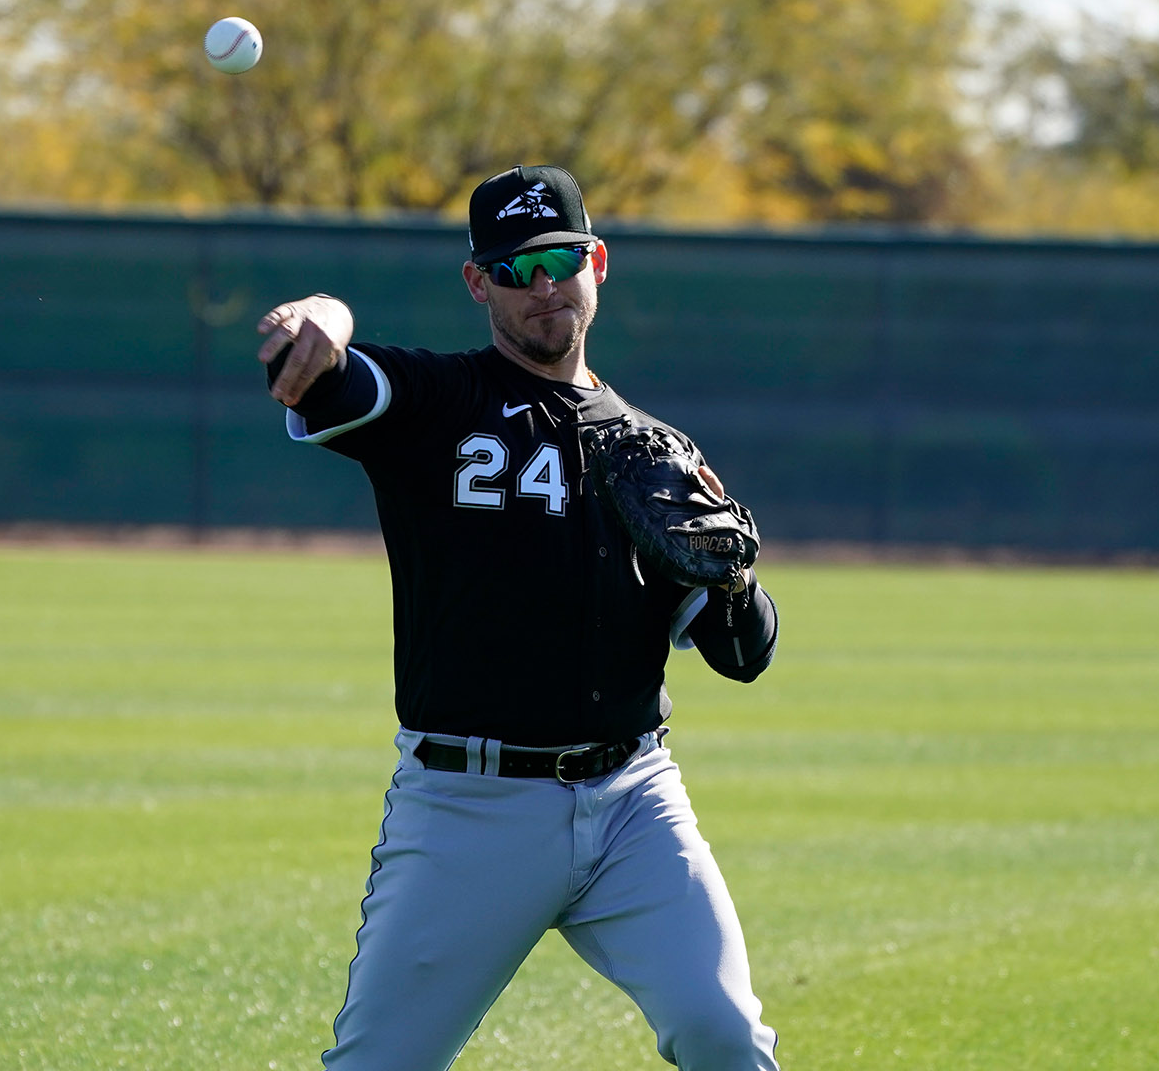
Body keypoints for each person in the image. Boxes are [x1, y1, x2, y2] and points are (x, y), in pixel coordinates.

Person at [253, 164, 782, 1071]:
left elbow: (744, 656)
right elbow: (325, 377)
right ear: (477, 283)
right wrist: (324, 314)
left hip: (633, 808)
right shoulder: (437, 404)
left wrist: (735, 585)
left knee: (725, 1035)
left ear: (598, 261)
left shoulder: (652, 449)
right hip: (470, 807)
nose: (543, 287)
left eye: (560, 260)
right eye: (515, 268)